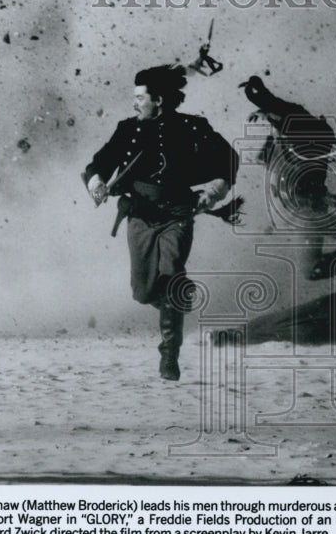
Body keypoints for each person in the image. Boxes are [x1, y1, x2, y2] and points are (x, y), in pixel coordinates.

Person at [84, 65, 239, 381]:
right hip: (140, 215)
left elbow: (228, 158)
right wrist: (97, 182)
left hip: (178, 213)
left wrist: (215, 189)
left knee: (170, 276)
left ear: (159, 99)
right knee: (142, 292)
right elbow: (99, 162)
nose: (135, 103)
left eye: (140, 98)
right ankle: (175, 299)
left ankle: (169, 355)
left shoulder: (192, 127)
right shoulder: (126, 129)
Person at [239, 75, 336, 281]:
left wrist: (262, 101)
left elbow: (287, 117)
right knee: (312, 264)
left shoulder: (308, 138)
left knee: (310, 269)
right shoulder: (291, 136)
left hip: (306, 211)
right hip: (298, 209)